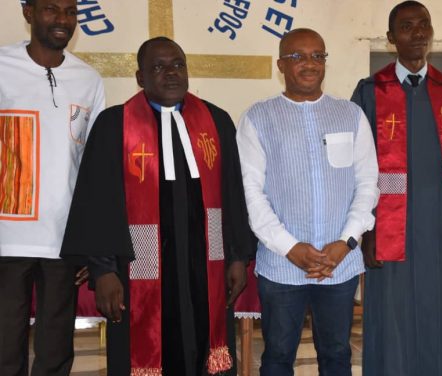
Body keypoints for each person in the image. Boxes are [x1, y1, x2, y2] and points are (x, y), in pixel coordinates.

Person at [60, 36, 256, 376]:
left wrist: (237, 256)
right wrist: (103, 270)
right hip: (138, 271)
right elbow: (96, 203)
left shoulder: (217, 122)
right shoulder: (114, 126)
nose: (171, 74)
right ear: (140, 77)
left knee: (204, 348)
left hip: (205, 268)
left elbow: (233, 196)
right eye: (159, 67)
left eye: (178, 65)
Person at [351, 1, 442, 375]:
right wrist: (366, 229)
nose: (417, 33)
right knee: (392, 311)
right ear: (391, 38)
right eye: (407, 26)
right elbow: (355, 168)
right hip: (388, 225)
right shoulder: (369, 92)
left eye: (423, 24)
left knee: (440, 306)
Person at [237, 28, 379, 376]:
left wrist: (345, 243)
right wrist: (290, 248)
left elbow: (368, 185)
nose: (310, 64)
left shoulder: (350, 115)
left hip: (339, 262)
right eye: (298, 56)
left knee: (336, 355)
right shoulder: (258, 118)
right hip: (282, 264)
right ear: (281, 65)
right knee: (277, 356)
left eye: (318, 55)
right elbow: (251, 193)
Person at [0, 0, 105, 375]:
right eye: (51, 9)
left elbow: (93, 169)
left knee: (56, 346)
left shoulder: (89, 79)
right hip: (6, 238)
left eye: (70, 11)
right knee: (4, 345)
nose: (63, 20)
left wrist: (89, 241)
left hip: (63, 238)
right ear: (28, 13)